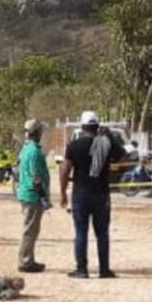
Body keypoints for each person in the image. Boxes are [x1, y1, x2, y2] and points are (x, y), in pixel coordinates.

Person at [58, 111, 125, 279]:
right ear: (97, 126)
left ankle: (82, 269)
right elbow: (123, 156)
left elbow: (65, 170)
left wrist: (62, 192)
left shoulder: (74, 145)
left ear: (82, 126)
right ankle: (104, 269)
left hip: (80, 194)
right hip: (101, 194)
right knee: (102, 232)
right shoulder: (105, 143)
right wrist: (109, 138)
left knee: (81, 232)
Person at [15, 119, 50, 273]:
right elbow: (36, 177)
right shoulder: (34, 151)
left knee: (31, 229)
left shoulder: (25, 149)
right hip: (32, 195)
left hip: (26, 193)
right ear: (37, 133)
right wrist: (43, 197)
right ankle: (25, 261)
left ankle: (29, 258)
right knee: (30, 230)